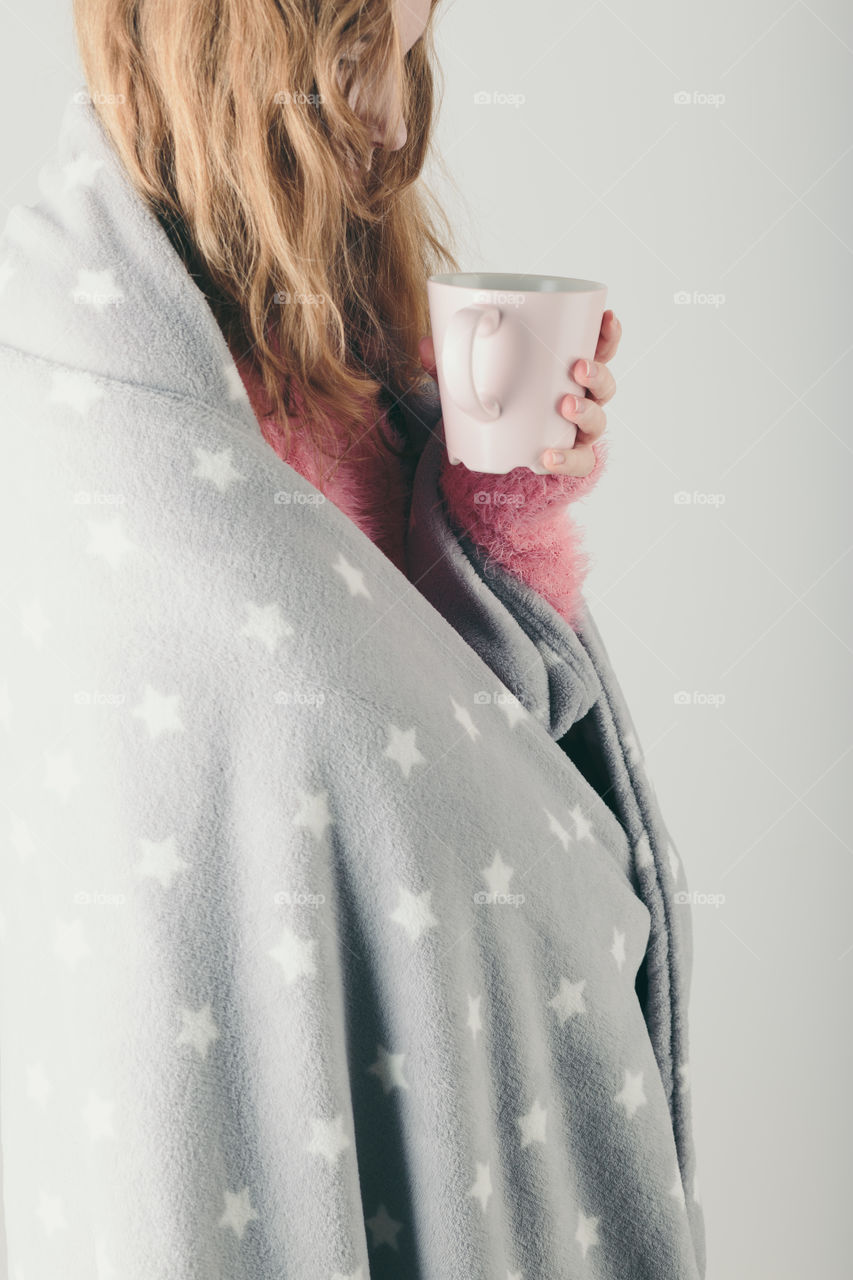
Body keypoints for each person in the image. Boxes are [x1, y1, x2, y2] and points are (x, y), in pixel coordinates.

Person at [0, 2, 706, 1277]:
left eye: (414, 50)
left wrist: (502, 500)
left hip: (463, 1047)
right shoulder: (92, 425)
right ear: (227, 55)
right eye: (357, 51)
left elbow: (486, 726)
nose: (392, 107)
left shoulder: (355, 368)